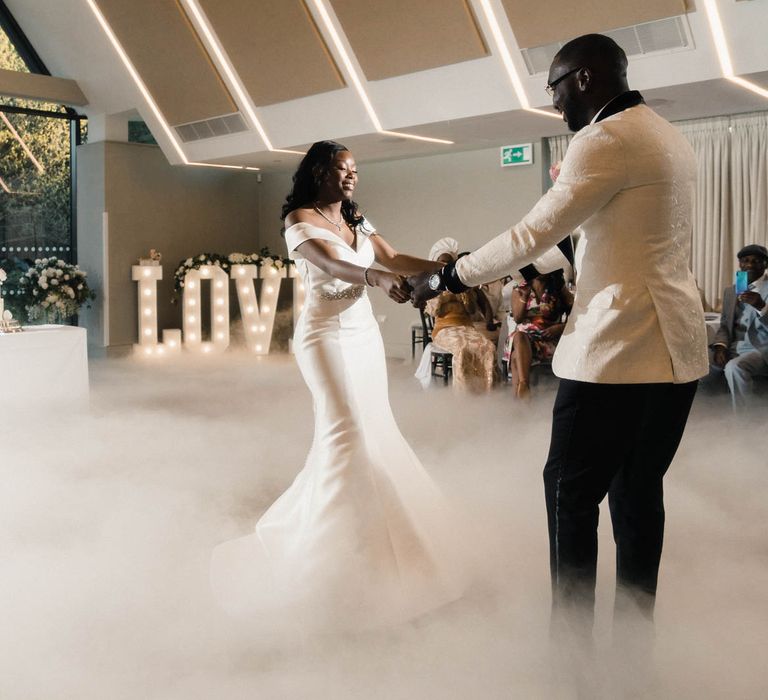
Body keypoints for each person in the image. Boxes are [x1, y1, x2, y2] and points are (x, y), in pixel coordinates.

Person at [411, 34, 709, 639]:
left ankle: (569, 650)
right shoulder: (666, 135)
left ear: (585, 78)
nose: (554, 106)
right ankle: (633, 640)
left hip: (616, 350)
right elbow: (596, 240)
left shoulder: (604, 139)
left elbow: (530, 232)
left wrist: (447, 274)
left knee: (567, 495)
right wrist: (526, 264)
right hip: (674, 352)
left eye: (554, 89)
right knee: (637, 493)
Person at [210, 141, 464, 632]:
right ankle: (322, 565)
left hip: (364, 336)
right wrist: (373, 276)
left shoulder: (356, 217)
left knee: (376, 432)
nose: (351, 177)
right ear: (320, 171)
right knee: (346, 434)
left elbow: (392, 254)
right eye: (343, 169)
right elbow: (331, 264)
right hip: (324, 336)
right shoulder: (298, 220)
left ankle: (383, 553)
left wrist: (443, 270)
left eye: (355, 171)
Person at [423, 240, 499, 392]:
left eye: (449, 263)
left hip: (465, 327)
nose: (445, 266)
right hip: (444, 329)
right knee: (463, 349)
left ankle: (487, 392)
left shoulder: (461, 284)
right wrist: (441, 293)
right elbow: (434, 312)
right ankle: (464, 395)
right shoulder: (432, 284)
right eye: (442, 263)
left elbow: (471, 311)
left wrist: (464, 292)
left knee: (487, 347)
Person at [710, 244, 768, 408]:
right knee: (699, 369)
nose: (749, 265)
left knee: (734, 368)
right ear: (740, 264)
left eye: (756, 261)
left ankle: (745, 422)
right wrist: (720, 346)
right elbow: (724, 326)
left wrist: (761, 306)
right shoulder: (731, 291)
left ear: (765, 265)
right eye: (745, 261)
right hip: (734, 347)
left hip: (761, 349)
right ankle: (709, 417)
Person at [505, 270, 573, 398]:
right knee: (519, 336)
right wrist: (524, 297)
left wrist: (561, 327)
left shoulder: (558, 288)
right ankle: (524, 386)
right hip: (524, 339)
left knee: (515, 357)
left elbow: (577, 314)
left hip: (549, 339)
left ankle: (520, 399)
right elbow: (518, 319)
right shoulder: (519, 289)